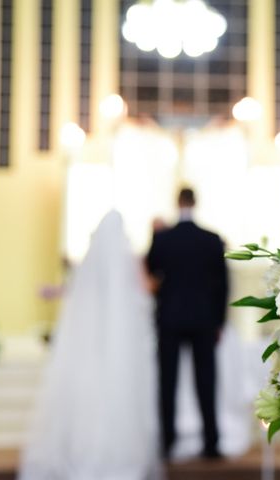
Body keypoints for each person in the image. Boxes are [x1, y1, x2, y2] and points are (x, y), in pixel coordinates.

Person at [20, 211, 161, 480]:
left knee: (89, 400)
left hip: (91, 351)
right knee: (121, 398)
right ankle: (121, 457)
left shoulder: (89, 264)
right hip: (123, 351)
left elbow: (76, 296)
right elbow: (146, 292)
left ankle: (83, 453)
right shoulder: (131, 261)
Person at [146, 187, 228, 459]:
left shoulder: (163, 238)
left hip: (169, 318)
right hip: (204, 319)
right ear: (196, 202)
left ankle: (167, 442)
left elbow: (151, 268)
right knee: (206, 381)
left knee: (167, 383)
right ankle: (211, 441)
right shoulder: (212, 239)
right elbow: (223, 285)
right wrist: (219, 321)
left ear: (177, 202)